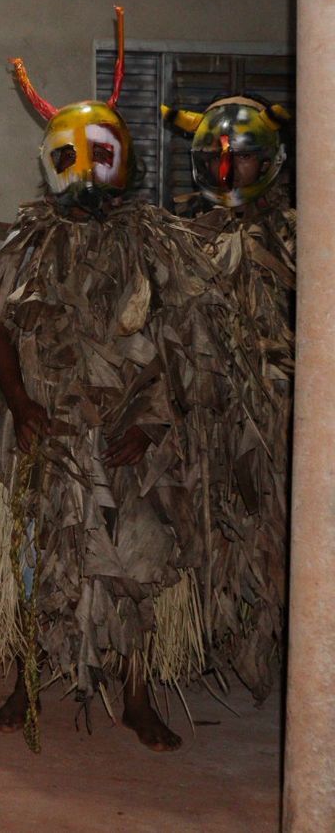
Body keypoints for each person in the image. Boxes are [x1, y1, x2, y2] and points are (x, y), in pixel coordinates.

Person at [0, 8, 237, 752]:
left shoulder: (161, 248)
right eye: (73, 155)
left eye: (102, 153)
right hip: (47, 434)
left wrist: (153, 423)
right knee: (36, 558)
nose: (88, 170)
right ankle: (25, 682)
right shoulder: (26, 247)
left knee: (140, 569)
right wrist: (20, 404)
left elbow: (190, 349)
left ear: (125, 159)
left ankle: (138, 694)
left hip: (134, 444)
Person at [164, 94, 292, 704]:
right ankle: (206, 644)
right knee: (204, 529)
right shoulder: (180, 237)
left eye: (242, 158)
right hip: (202, 418)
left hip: (274, 422)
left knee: (271, 526)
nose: (227, 170)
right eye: (217, 157)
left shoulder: (297, 238)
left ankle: (275, 652)